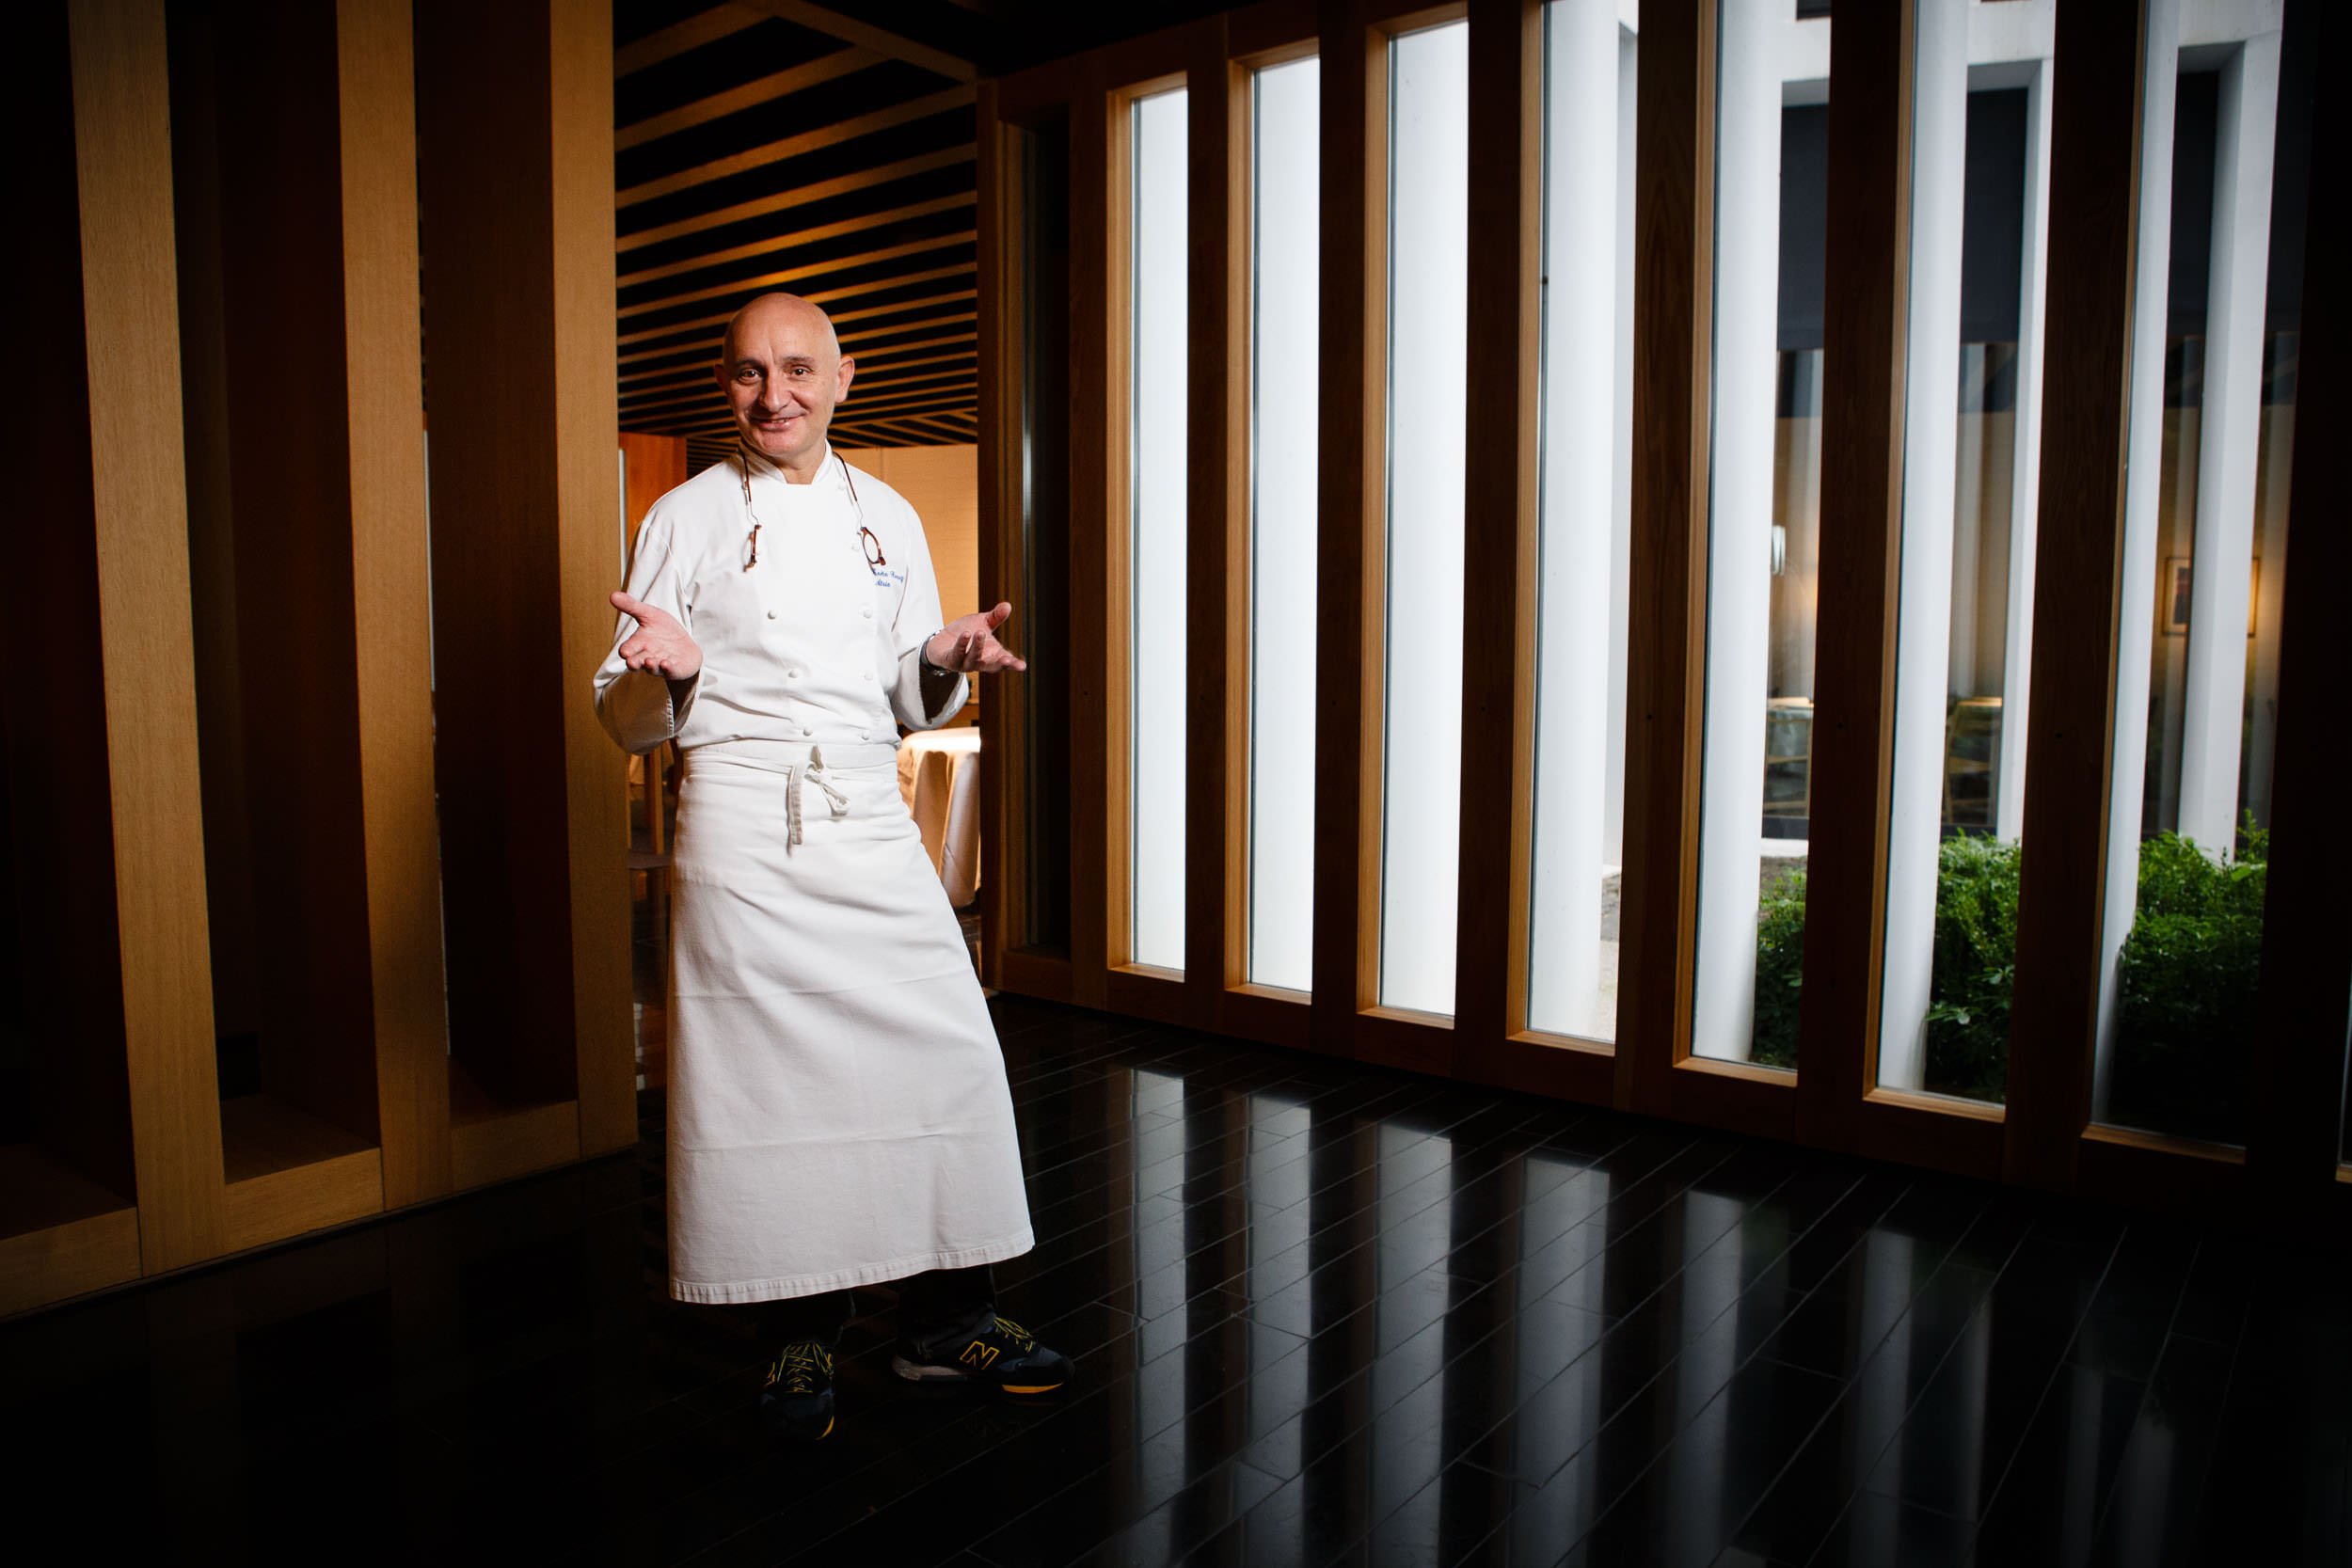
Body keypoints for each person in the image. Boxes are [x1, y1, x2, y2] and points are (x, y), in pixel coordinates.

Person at [594, 292, 1070, 1441]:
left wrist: (943, 655)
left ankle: (947, 1318)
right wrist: (673, 668)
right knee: (770, 1094)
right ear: (726, 383)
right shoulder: (684, 515)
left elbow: (904, 695)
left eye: (799, 369)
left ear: (843, 376)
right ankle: (794, 1334)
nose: (776, 394)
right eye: (751, 372)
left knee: (941, 1053)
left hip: (863, 811)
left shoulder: (889, 514)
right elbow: (623, 712)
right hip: (745, 828)